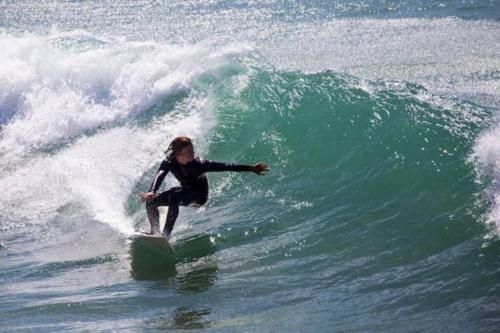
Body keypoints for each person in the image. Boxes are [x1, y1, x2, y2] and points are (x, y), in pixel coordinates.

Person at [139, 136, 269, 237]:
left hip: (199, 197)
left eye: (192, 149)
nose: (192, 152)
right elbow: (160, 174)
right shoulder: (169, 162)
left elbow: (227, 166)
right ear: (178, 154)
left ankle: (165, 235)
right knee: (151, 202)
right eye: (189, 150)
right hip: (184, 192)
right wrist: (152, 191)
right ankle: (154, 232)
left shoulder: (200, 164)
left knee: (174, 195)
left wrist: (251, 168)